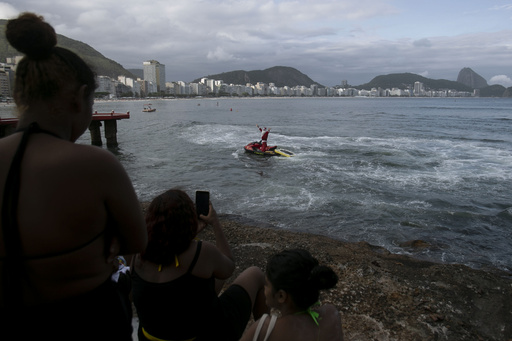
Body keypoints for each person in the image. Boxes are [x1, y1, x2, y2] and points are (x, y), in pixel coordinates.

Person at [0, 13, 147, 339]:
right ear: (79, 97)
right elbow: (137, 240)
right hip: (85, 316)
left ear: (20, 99)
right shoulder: (95, 164)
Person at [131, 189, 268, 341]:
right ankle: (269, 335)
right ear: (189, 218)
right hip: (205, 335)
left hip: (150, 337)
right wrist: (215, 224)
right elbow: (228, 267)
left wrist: (189, 235)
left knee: (203, 278)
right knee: (255, 274)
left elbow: (168, 287)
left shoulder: (137, 254)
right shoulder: (201, 252)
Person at [240, 249, 344, 341]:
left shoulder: (264, 330)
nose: (264, 288)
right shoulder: (331, 315)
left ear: (281, 296)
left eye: (266, 284)